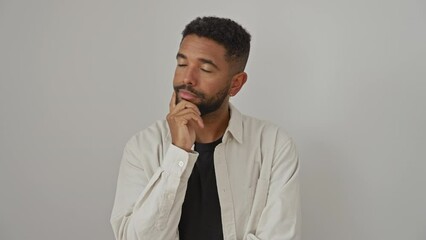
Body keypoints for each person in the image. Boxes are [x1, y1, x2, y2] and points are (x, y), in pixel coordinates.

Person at [110, 16, 301, 240]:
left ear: (236, 83)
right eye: (182, 64)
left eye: (205, 69)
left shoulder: (273, 145)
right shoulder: (142, 147)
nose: (187, 78)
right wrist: (178, 153)